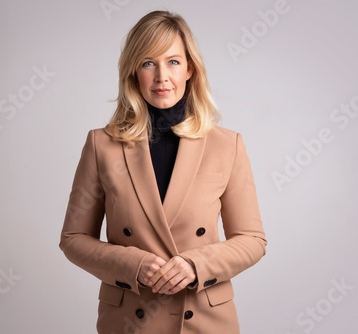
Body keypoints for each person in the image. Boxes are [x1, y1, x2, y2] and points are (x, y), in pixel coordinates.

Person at [59, 10, 267, 334]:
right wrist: (132, 264)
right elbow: (73, 239)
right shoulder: (102, 145)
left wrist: (196, 265)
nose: (161, 77)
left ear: (190, 69)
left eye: (172, 62)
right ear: (133, 73)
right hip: (130, 319)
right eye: (147, 63)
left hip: (204, 320)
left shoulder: (227, 145)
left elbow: (252, 240)